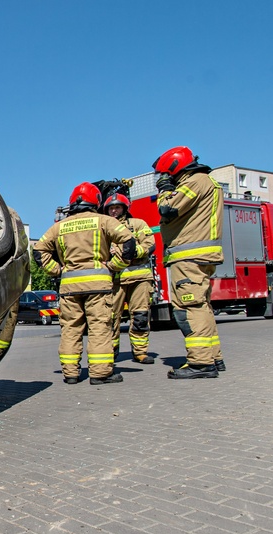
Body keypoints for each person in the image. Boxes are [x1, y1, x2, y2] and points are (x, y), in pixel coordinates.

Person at [33, 182, 135, 385]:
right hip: (98, 285)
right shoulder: (104, 221)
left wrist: (57, 270)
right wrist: (114, 265)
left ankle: (70, 373)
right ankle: (100, 373)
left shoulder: (59, 226)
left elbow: (38, 250)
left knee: (70, 328)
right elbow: (128, 242)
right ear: (95, 201)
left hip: (69, 287)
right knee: (99, 327)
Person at [153, 146, 224, 379]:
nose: (166, 179)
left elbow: (168, 208)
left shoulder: (193, 182)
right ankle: (213, 356)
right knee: (202, 307)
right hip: (200, 255)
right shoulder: (207, 182)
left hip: (189, 256)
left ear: (175, 168)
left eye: (167, 175)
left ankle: (201, 363)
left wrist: (165, 191)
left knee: (189, 307)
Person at [103, 193, 156, 364]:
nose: (114, 211)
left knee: (140, 316)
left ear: (125, 208)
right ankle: (111, 352)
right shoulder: (104, 228)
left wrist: (131, 252)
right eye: (111, 208)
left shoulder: (138, 224)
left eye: (117, 207)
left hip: (139, 278)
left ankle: (140, 352)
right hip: (114, 280)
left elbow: (149, 244)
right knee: (110, 318)